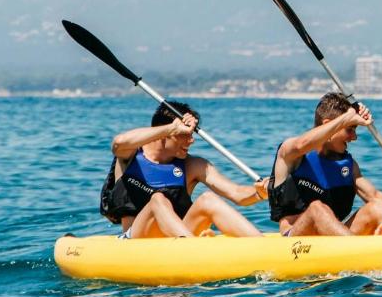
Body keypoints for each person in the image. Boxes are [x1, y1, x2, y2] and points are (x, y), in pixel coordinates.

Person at [267, 92, 382, 236]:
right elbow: (301, 144)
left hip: (338, 237)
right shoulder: (291, 154)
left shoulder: (348, 167)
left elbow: (375, 195)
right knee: (317, 208)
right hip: (296, 241)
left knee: (376, 206)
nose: (354, 137)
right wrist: (346, 117)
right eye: (350, 129)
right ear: (328, 125)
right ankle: (360, 249)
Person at [102, 101, 268, 238]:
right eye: (185, 134)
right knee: (158, 200)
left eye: (192, 134)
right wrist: (172, 128)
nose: (191, 140)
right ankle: (194, 247)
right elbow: (119, 142)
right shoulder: (129, 156)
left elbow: (237, 194)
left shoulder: (192, 166)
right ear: (165, 132)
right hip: (136, 242)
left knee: (207, 199)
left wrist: (260, 192)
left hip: (178, 239)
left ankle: (262, 246)